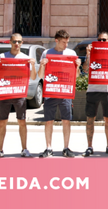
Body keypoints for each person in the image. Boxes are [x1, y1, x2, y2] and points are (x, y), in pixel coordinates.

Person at [0, 33, 36, 158]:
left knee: (22, 122)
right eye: (15, 41)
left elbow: (33, 77)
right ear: (10, 42)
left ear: (22, 43)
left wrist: (33, 65)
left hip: (19, 93)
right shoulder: (2, 56)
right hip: (5, 93)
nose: (17, 44)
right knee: (2, 122)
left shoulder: (25, 58)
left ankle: (24, 149)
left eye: (19, 42)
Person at [37, 29, 81, 158]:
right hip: (50, 93)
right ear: (56, 40)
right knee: (49, 121)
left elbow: (76, 76)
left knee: (66, 120)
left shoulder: (71, 53)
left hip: (65, 92)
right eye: (63, 42)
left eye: (67, 42)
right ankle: (48, 148)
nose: (66, 45)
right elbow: (40, 75)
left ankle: (66, 148)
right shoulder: (47, 53)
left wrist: (77, 66)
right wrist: (42, 65)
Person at [82, 31, 108, 157]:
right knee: (90, 119)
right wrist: (88, 55)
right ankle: (89, 146)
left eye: (104, 40)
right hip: (92, 89)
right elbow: (85, 69)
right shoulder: (92, 51)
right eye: (100, 40)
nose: (102, 42)